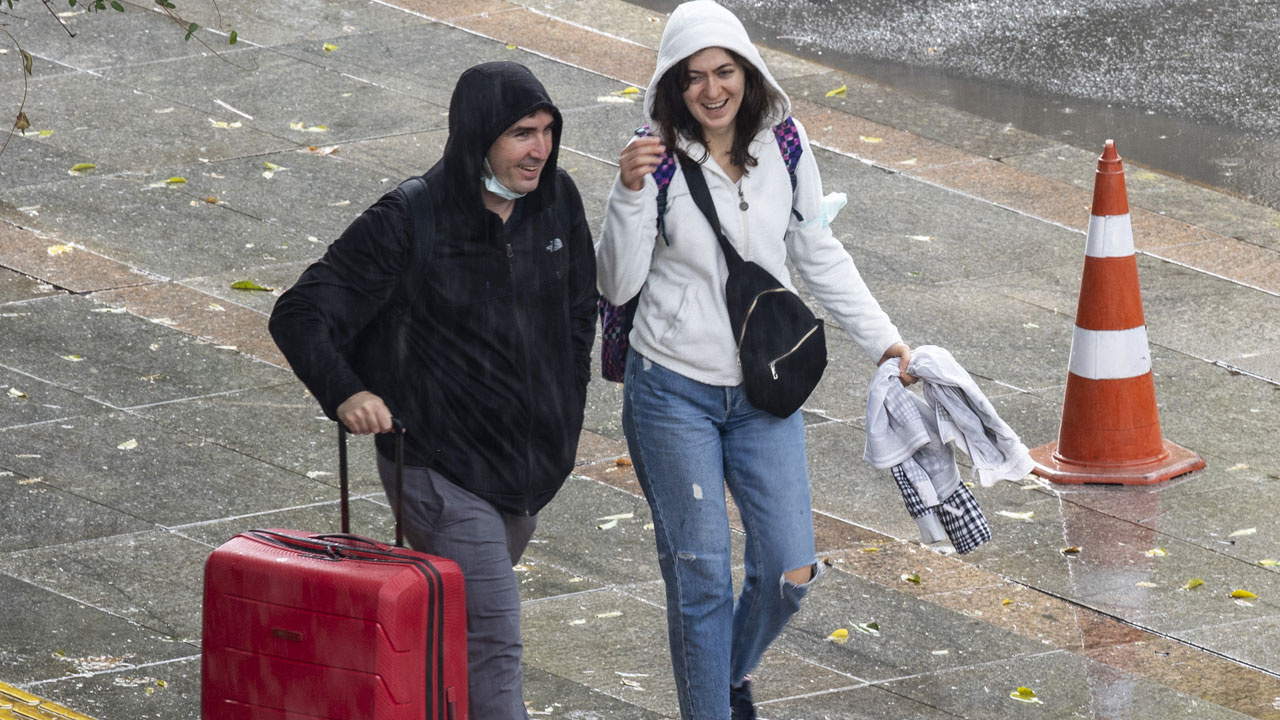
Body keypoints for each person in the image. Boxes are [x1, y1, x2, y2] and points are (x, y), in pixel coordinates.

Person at [595, 2, 913, 718]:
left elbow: (816, 250)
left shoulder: (787, 144)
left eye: (725, 72)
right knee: (701, 574)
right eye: (695, 78)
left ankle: (727, 673)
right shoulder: (654, 158)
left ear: (748, 72)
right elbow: (615, 284)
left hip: (765, 391)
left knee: (788, 568)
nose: (712, 91)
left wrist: (888, 343)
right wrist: (629, 193)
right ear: (673, 86)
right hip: (672, 391)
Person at [269, 61, 597, 719]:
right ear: (478, 137)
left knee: (456, 639)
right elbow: (299, 313)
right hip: (439, 469)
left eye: (546, 131)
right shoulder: (409, 218)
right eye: (521, 135)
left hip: (527, 474)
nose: (540, 149)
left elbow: (578, 308)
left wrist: (566, 401)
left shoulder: (558, 199)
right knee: (494, 643)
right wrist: (347, 393)